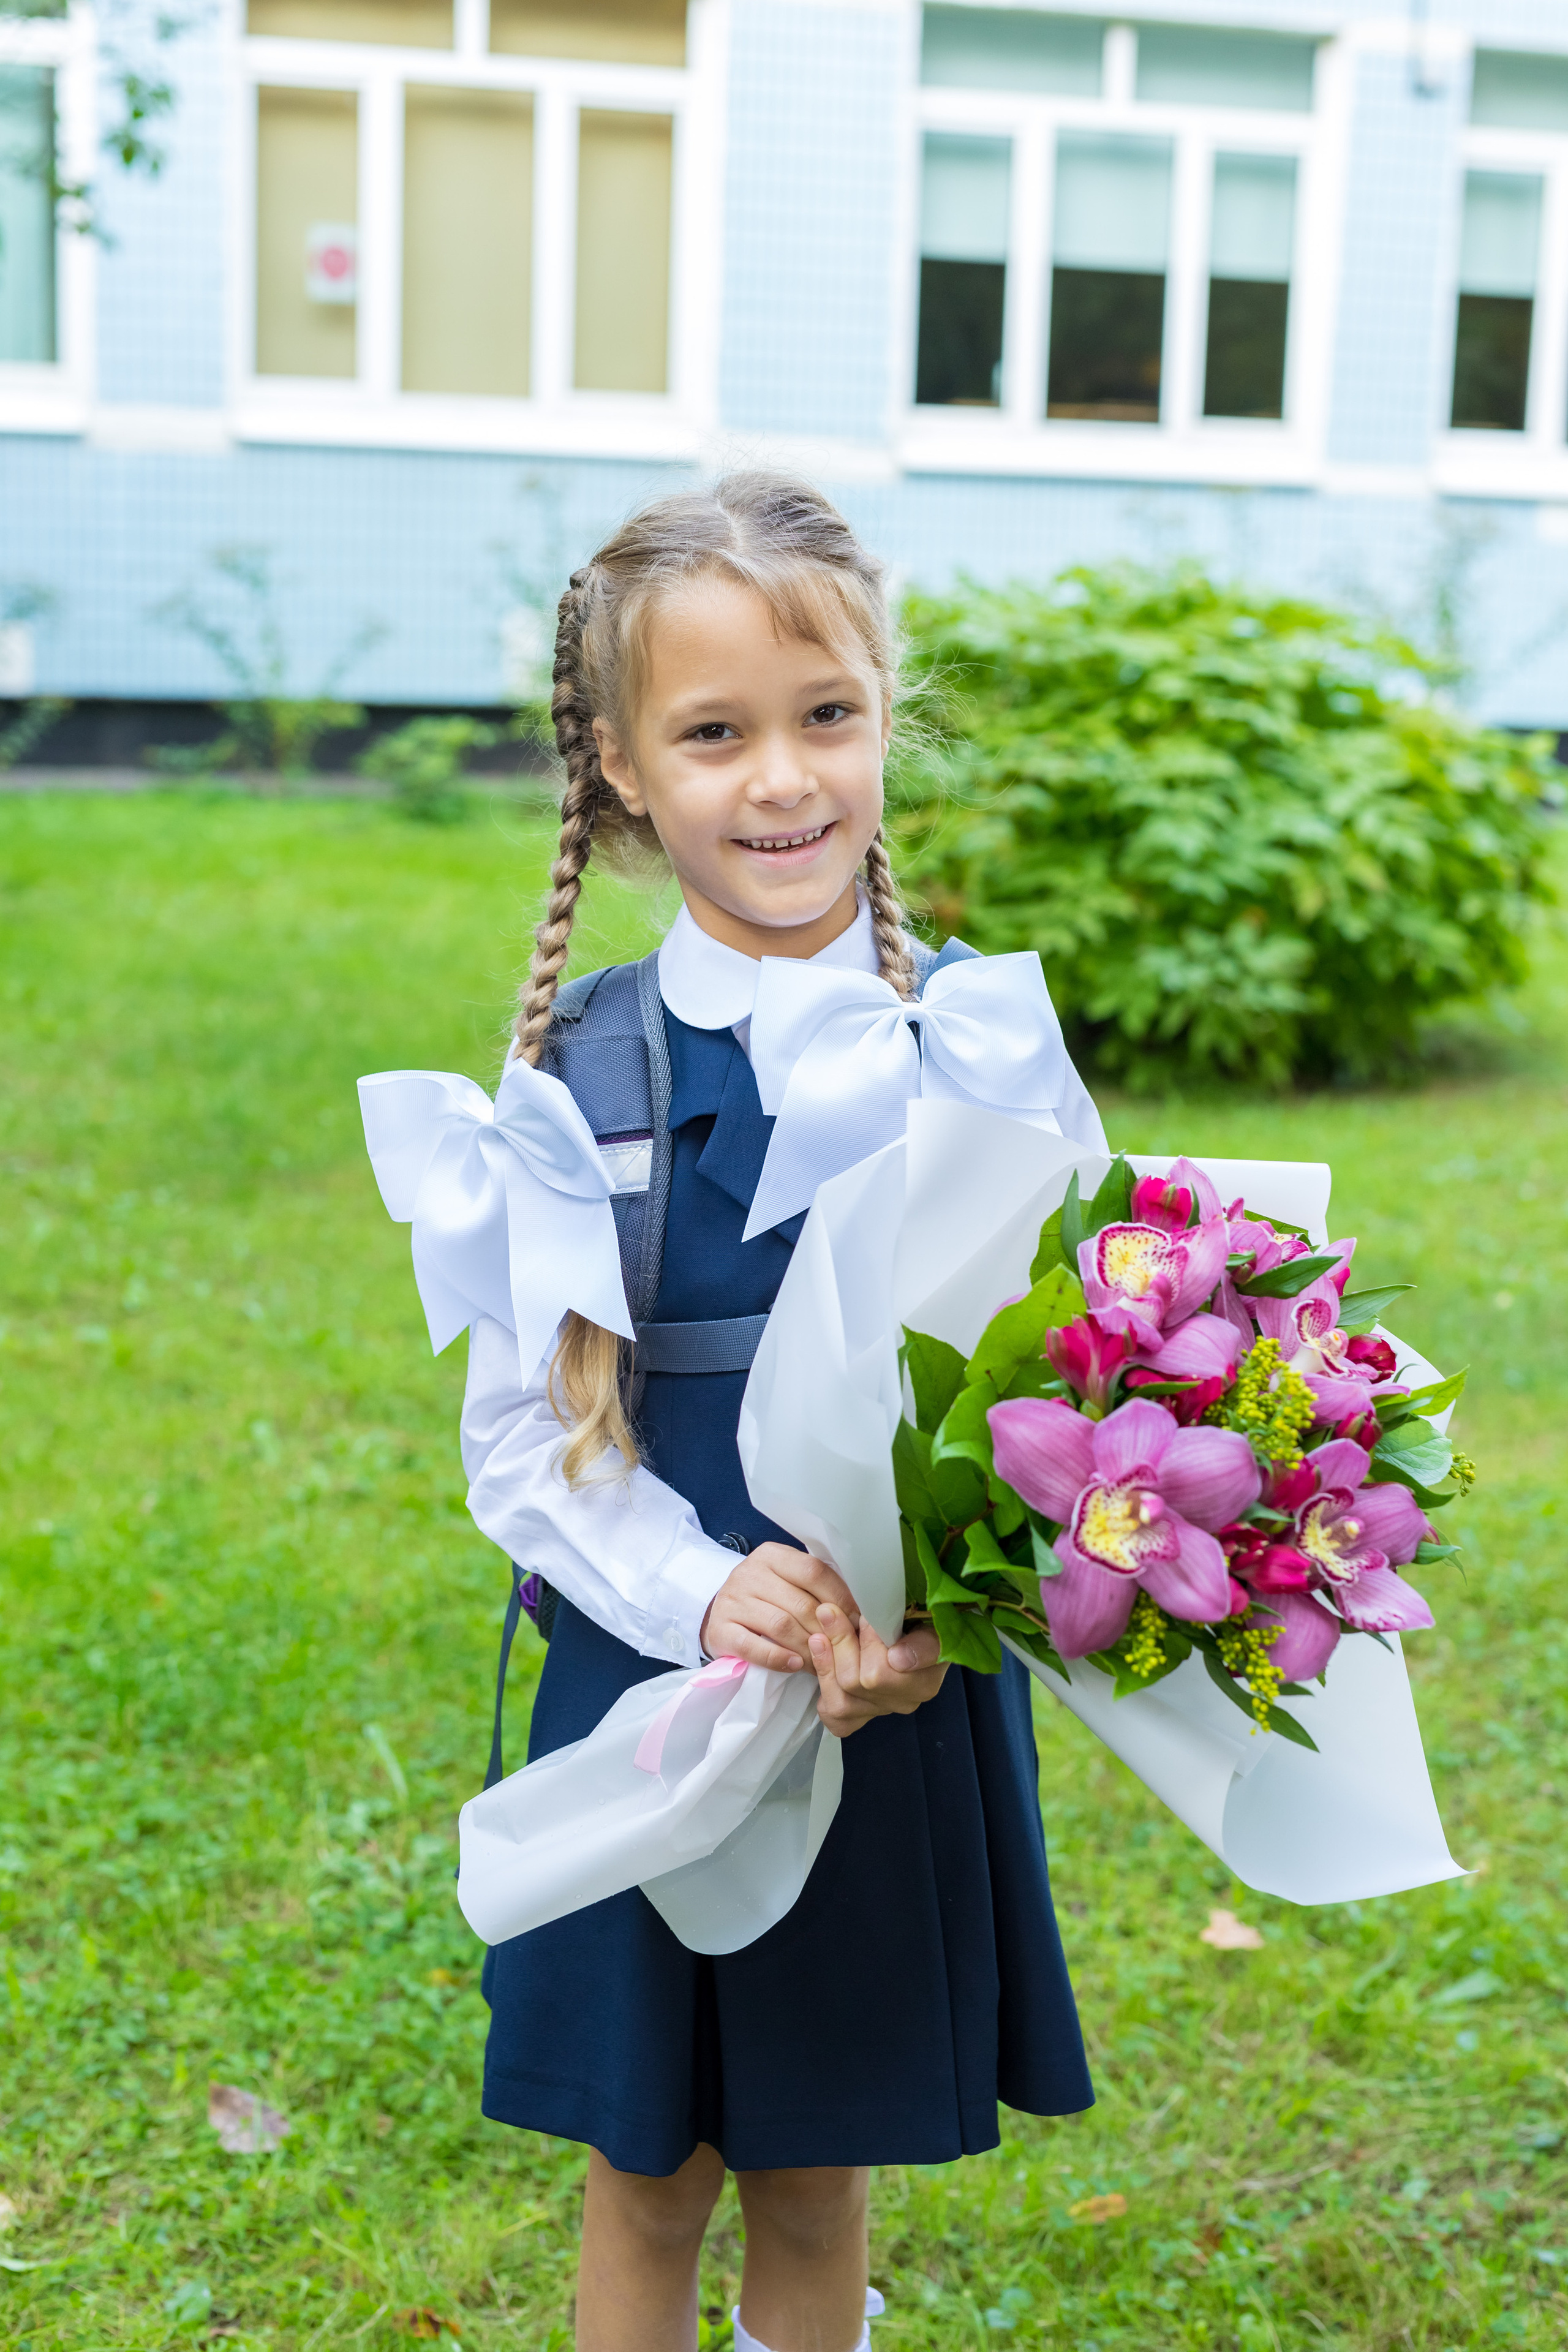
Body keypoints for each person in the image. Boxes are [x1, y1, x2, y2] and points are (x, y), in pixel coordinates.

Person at [454, 476, 1106, 2352]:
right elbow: (522, 1438)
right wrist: (702, 1596)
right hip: (656, 1678)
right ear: (621, 767)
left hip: (890, 1688)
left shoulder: (977, 1039)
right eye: (715, 733)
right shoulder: (574, 1079)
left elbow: (1077, 1389)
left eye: (827, 716)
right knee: (648, 2171)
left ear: (888, 715)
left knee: (818, 2170)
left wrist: (941, 1622)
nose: (785, 780)